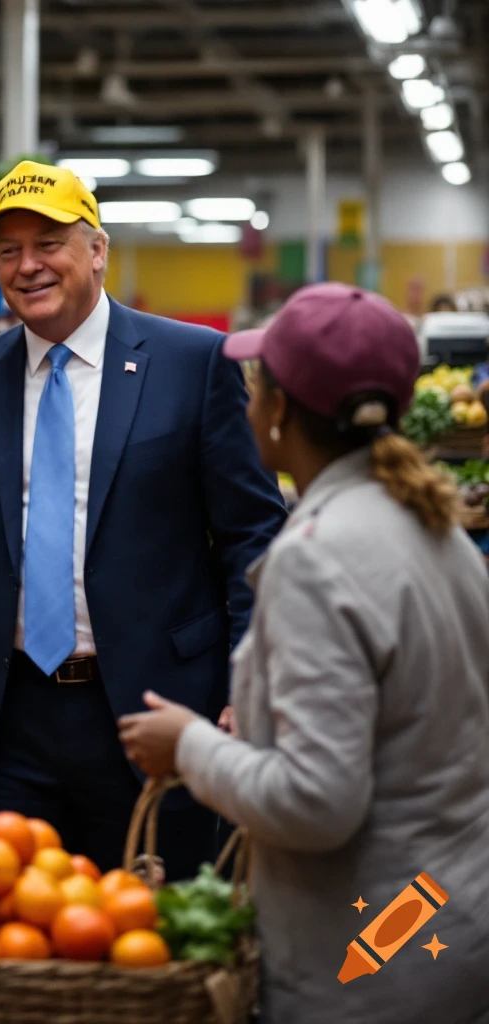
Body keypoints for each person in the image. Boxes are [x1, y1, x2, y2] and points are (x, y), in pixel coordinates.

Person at [118, 283, 489, 1023]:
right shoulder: (435, 526)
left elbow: (318, 805)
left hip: (367, 954)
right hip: (445, 915)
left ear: (280, 410)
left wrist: (188, 746)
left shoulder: (316, 559)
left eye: (259, 384)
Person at [0, 160, 286, 876]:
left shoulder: (193, 362)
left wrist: (249, 681)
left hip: (158, 707)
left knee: (160, 928)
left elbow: (253, 537)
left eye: (48, 243)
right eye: (8, 250)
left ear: (97, 249)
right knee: (9, 936)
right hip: (10, 722)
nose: (27, 265)